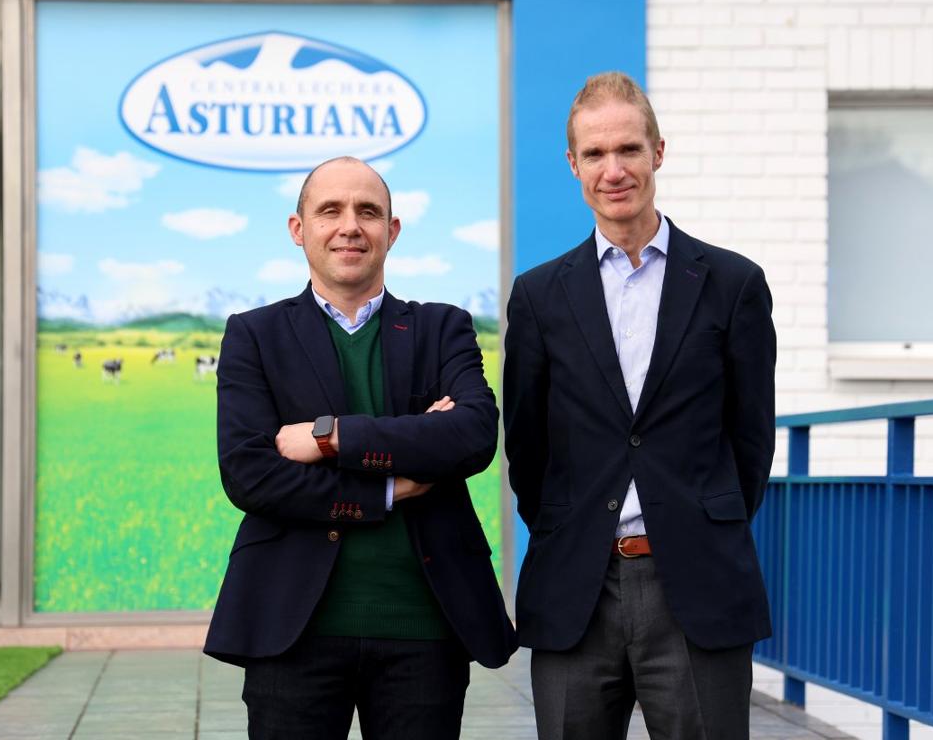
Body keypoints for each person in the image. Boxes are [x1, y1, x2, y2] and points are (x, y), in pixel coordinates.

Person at [503, 72, 776, 740]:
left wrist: (695, 524)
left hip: (696, 587)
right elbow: (529, 451)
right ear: (573, 165)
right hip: (577, 590)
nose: (613, 168)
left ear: (659, 151)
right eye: (595, 154)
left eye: (629, 148)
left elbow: (751, 442)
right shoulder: (539, 296)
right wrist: (576, 529)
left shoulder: (732, 285)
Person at [205, 156, 516, 740]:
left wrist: (329, 437)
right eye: (330, 210)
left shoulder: (441, 328)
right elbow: (250, 474)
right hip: (292, 627)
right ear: (299, 230)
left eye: (368, 212)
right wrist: (391, 489)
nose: (350, 225)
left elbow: (472, 437)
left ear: (391, 232)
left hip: (424, 628)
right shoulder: (255, 334)